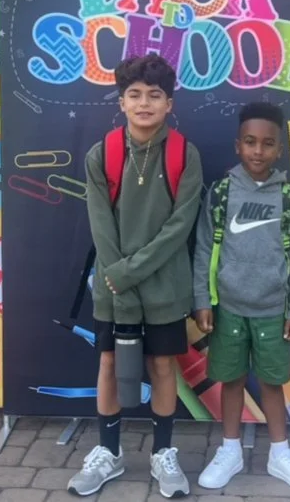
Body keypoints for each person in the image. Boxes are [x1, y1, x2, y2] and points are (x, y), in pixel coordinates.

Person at [68, 53, 203, 499]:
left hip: (164, 286)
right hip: (113, 288)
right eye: (134, 94)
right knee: (108, 363)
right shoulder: (101, 154)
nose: (144, 103)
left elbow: (179, 227)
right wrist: (119, 275)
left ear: (169, 103)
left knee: (163, 366)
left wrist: (129, 270)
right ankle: (109, 452)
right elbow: (100, 224)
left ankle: (163, 454)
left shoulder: (185, 154)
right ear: (121, 101)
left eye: (154, 95)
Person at [191, 102, 290, 493]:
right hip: (228, 309)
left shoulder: (288, 199)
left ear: (279, 150)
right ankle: (230, 450)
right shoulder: (221, 194)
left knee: (272, 382)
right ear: (237, 145)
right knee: (230, 380)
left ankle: (280, 454)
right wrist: (202, 300)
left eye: (267, 144)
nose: (258, 151)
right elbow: (202, 251)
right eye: (250, 142)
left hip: (272, 312)